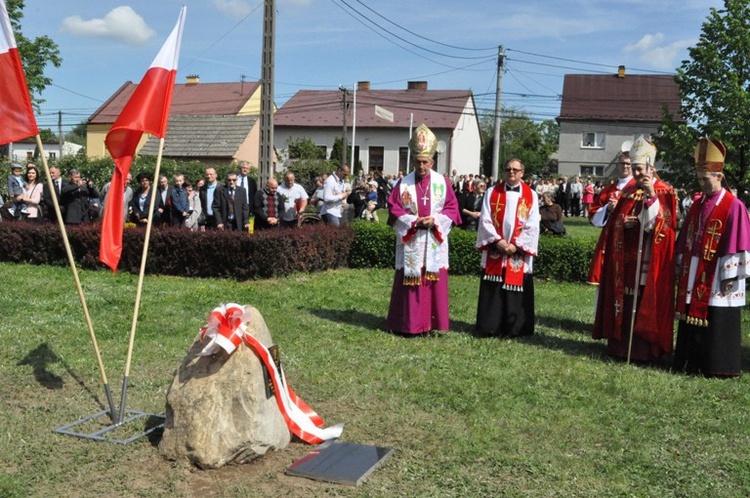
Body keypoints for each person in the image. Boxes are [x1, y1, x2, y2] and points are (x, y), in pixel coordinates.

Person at [592, 136, 677, 361]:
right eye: (635, 169)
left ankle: (643, 351)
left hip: (649, 258)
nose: (637, 174)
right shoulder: (628, 191)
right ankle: (620, 347)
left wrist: (650, 196)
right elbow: (614, 222)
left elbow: (663, 228)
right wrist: (624, 223)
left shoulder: (664, 191)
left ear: (651, 167)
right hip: (625, 259)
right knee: (624, 300)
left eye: (640, 169)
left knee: (642, 301)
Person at [674, 138, 750, 377]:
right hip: (695, 266)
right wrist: (680, 263)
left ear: (719, 176)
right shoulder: (698, 203)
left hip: (719, 270)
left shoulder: (733, 205)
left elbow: (738, 240)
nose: (702, 184)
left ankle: (719, 365)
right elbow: (686, 234)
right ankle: (690, 362)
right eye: (698, 179)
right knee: (692, 313)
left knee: (717, 315)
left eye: (705, 180)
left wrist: (731, 275)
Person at [386, 123, 461, 335]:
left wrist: (435, 220)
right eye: (418, 162)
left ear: (432, 162)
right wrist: (414, 221)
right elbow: (394, 210)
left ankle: (432, 324)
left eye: (425, 162)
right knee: (410, 280)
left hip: (434, 238)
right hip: (412, 239)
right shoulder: (403, 184)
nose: (421, 166)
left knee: (432, 280)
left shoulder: (442, 182)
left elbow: (452, 207)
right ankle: (409, 324)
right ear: (413, 161)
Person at [475, 158, 540, 337]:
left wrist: (516, 245)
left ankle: (517, 328)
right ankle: (490, 326)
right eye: (508, 169)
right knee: (493, 288)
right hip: (497, 247)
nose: (511, 172)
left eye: (515, 170)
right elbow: (485, 219)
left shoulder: (531, 195)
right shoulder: (491, 192)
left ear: (522, 173)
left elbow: (533, 224)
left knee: (516, 287)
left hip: (517, 250)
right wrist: (498, 241)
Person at [587, 152, 635, 285]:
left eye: (628, 164)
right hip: (610, 237)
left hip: (630, 238)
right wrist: (607, 208)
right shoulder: (608, 190)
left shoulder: (638, 189)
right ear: (617, 165)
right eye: (622, 163)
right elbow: (593, 216)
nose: (625, 167)